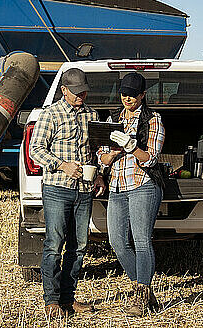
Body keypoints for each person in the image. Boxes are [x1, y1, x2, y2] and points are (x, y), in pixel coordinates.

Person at [29, 68, 106, 318]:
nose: (81, 95)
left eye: (84, 91)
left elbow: (96, 149)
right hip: (57, 189)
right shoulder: (50, 115)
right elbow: (35, 150)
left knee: (79, 246)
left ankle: (68, 298)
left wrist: (100, 174)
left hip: (84, 190)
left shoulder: (92, 115)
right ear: (64, 90)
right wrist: (62, 165)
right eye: (76, 92)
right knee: (54, 244)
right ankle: (51, 301)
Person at [97, 72, 165, 317]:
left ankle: (140, 297)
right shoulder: (112, 119)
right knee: (117, 242)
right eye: (124, 93)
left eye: (133, 95)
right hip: (116, 187)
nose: (128, 98)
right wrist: (114, 153)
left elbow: (152, 159)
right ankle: (145, 289)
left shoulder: (152, 119)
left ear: (142, 95)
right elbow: (102, 157)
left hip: (143, 186)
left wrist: (132, 146)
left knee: (141, 241)